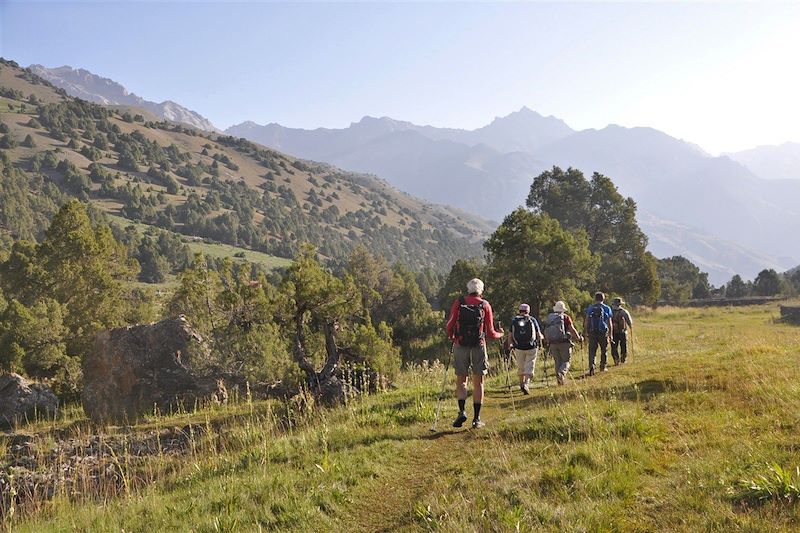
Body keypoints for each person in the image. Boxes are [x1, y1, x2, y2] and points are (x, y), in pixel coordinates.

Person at [445, 278, 504, 429]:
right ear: (481, 291)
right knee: (479, 382)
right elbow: (490, 332)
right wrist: (500, 335)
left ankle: (462, 411)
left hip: (460, 344)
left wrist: (452, 336)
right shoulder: (485, 305)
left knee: (461, 380)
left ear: (468, 289)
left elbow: (449, 324)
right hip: (479, 345)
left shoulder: (459, 302)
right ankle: (476, 419)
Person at [543, 301, 583, 385]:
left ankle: (560, 381)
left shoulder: (549, 318)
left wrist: (547, 340)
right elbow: (571, 329)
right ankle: (561, 374)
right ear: (563, 309)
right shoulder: (565, 317)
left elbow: (546, 329)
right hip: (564, 342)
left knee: (557, 361)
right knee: (566, 361)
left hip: (552, 343)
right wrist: (578, 338)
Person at [508, 303, 543, 395]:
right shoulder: (532, 320)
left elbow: (510, 336)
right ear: (528, 311)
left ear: (519, 311)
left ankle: (521, 384)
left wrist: (511, 344)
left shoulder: (514, 320)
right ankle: (526, 384)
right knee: (530, 364)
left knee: (521, 366)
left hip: (518, 347)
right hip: (531, 347)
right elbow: (539, 334)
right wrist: (542, 338)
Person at [584, 292, 613, 375]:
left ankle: (591, 367)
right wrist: (610, 334)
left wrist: (586, 331)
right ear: (603, 299)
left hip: (592, 332)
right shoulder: (607, 308)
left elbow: (587, 321)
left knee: (592, 350)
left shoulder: (590, 308)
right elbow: (609, 322)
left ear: (595, 299)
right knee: (604, 350)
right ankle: (602, 367)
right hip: (603, 332)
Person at [610, 297, 633, 364]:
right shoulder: (624, 311)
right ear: (620, 304)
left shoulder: (610, 311)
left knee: (614, 346)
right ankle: (623, 359)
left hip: (613, 331)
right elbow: (630, 322)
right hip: (623, 331)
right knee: (624, 345)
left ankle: (616, 359)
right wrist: (630, 327)